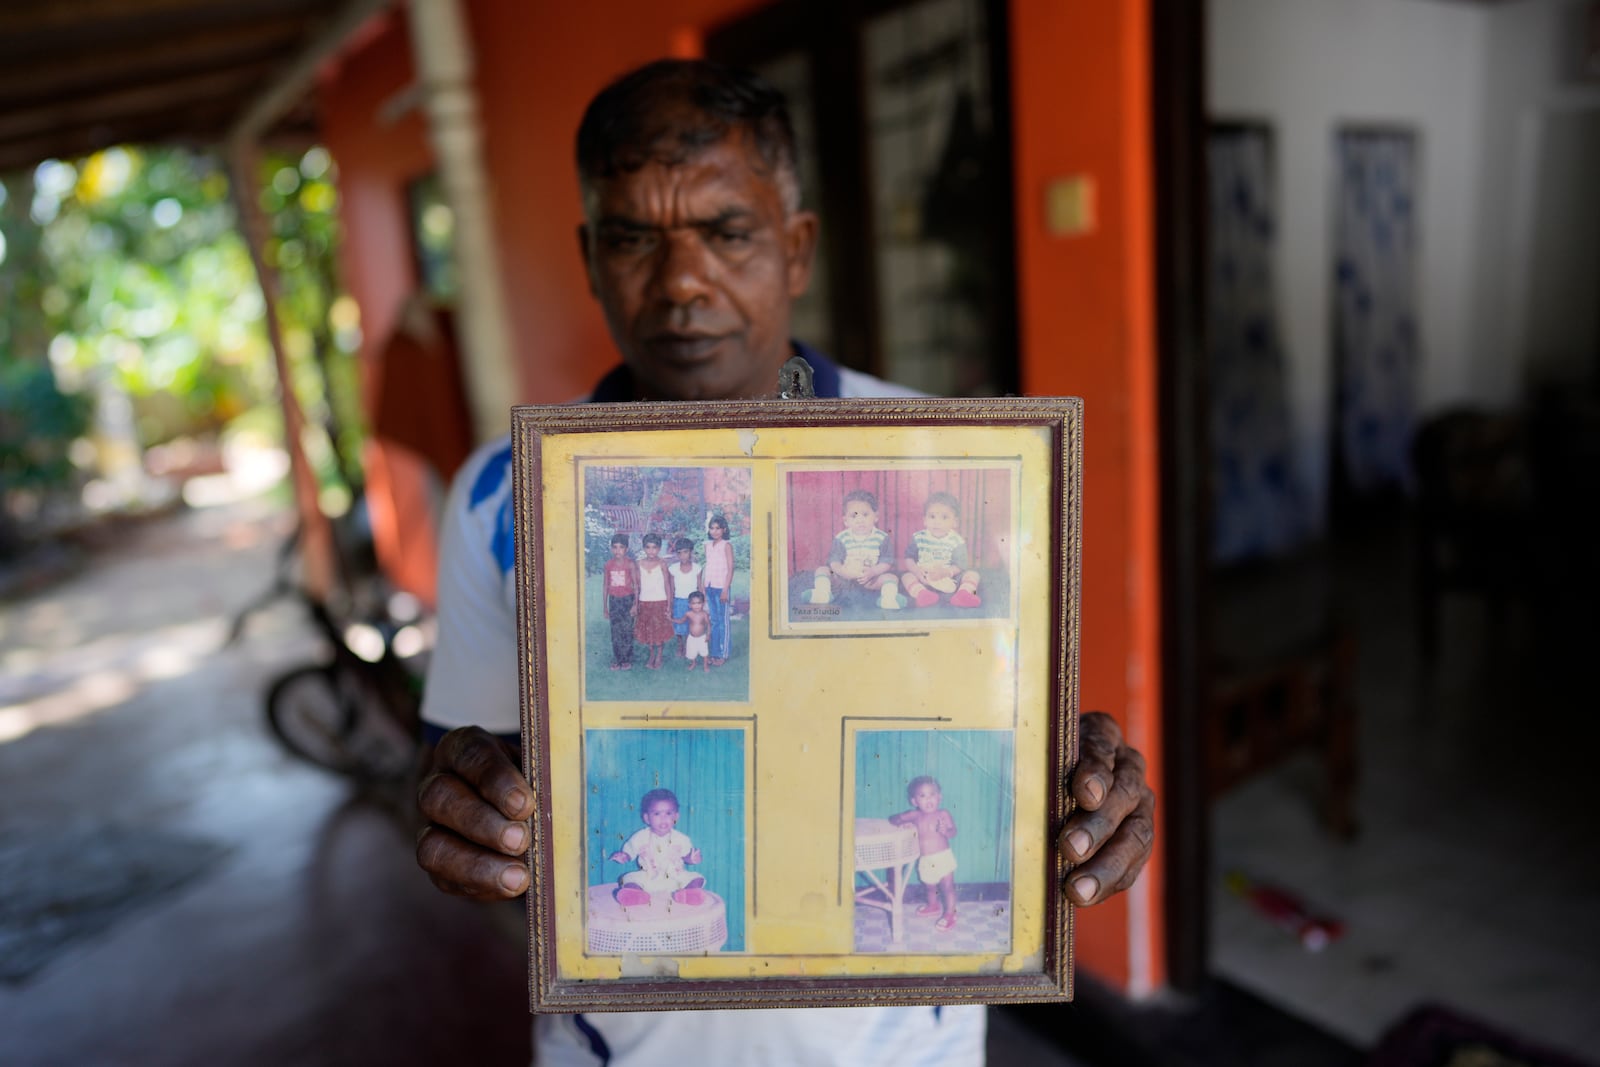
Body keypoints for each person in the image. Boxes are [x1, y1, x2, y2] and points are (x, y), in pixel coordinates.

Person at [415, 58, 1155, 1067]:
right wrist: (464, 813)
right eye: (634, 237)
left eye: (727, 233)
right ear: (589, 260)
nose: (680, 282)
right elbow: (465, 751)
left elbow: (1002, 732)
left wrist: (1084, 801)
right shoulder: (504, 500)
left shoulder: (956, 464)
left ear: (796, 248)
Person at [609, 788, 706, 906]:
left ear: (676, 817)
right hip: (648, 877)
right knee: (628, 878)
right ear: (646, 818)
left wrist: (692, 859)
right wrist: (624, 856)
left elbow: (686, 856)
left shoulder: (681, 838)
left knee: (698, 878)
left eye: (668, 813)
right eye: (657, 813)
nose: (663, 818)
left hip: (676, 878)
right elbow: (630, 851)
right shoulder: (640, 836)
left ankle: (688, 894)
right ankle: (636, 895)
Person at [889, 776, 960, 931]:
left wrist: (945, 831)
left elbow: (954, 831)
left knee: (947, 887)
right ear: (914, 801)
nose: (928, 800)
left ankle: (950, 914)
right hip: (925, 860)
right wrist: (903, 822)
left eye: (932, 794)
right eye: (922, 796)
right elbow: (893, 819)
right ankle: (933, 905)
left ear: (939, 797)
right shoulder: (914, 815)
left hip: (943, 857)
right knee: (929, 887)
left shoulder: (943, 814)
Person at [812, 487, 900, 610]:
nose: (860, 520)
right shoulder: (842, 538)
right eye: (854, 516)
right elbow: (834, 561)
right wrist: (843, 572)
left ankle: (888, 599)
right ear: (846, 521)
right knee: (822, 570)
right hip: (843, 579)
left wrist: (873, 572)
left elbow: (887, 561)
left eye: (865, 514)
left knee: (891, 578)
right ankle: (822, 593)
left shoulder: (882, 538)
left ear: (876, 517)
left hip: (870, 580)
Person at [902, 490, 982, 609]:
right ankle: (921, 594)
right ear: (924, 520)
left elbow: (960, 566)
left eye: (944, 517)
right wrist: (917, 572)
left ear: (954, 522)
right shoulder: (918, 537)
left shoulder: (956, 541)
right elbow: (908, 558)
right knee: (906, 577)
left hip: (949, 577)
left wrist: (946, 572)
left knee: (972, 574)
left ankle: (963, 593)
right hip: (924, 577)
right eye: (932, 516)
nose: (937, 522)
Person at [634, 532, 673, 670]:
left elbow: (667, 585)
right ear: (644, 548)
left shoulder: (662, 564)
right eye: (648, 547)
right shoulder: (639, 564)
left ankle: (659, 655)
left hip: (660, 601)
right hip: (645, 602)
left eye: (654, 548)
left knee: (659, 630)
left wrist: (669, 604)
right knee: (648, 631)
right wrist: (636, 604)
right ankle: (651, 654)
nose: (651, 551)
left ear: (659, 548)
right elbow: (637, 586)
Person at [601, 533, 639, 670]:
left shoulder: (630, 564)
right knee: (616, 631)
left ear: (626, 549)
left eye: (621, 547)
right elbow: (605, 585)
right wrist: (605, 607)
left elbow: (635, 584)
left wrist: (635, 604)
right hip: (614, 601)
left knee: (627, 630)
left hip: (628, 600)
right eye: (615, 547)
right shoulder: (608, 565)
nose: (618, 551)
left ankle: (626, 659)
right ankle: (617, 658)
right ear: (611, 549)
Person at [702, 514, 735, 665]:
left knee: (723, 622)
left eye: (717, 528)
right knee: (714, 621)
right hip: (709, 587)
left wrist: (725, 589)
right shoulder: (707, 545)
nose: (714, 531)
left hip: (721, 587)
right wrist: (703, 585)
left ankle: (723, 653)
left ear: (723, 530)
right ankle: (714, 652)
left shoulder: (726, 545)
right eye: (712, 528)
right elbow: (708, 565)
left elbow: (730, 568)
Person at [668, 536, 704, 657]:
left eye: (685, 552)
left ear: (691, 552)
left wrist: (702, 603)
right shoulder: (673, 569)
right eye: (679, 553)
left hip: (693, 602)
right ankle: (680, 645)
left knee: (692, 624)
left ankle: (690, 645)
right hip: (678, 601)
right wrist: (670, 603)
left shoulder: (697, 568)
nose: (683, 556)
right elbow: (672, 589)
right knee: (679, 625)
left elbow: (700, 586)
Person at [675, 589, 712, 672]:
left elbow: (709, 625)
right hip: (691, 637)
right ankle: (693, 663)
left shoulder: (704, 614)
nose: (697, 606)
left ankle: (705, 665)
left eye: (699, 603)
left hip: (702, 637)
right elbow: (681, 621)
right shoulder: (689, 614)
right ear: (690, 605)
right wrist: (672, 619)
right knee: (692, 652)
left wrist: (708, 635)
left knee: (704, 653)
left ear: (703, 603)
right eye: (694, 603)